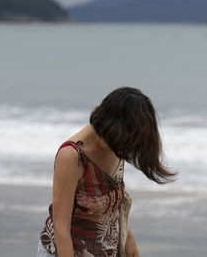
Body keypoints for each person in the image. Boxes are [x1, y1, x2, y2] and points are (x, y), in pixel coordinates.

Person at [36, 86, 177, 257]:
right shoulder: (72, 156)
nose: (126, 149)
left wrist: (128, 240)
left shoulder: (116, 145)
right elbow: (60, 226)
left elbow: (111, 207)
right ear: (111, 126)